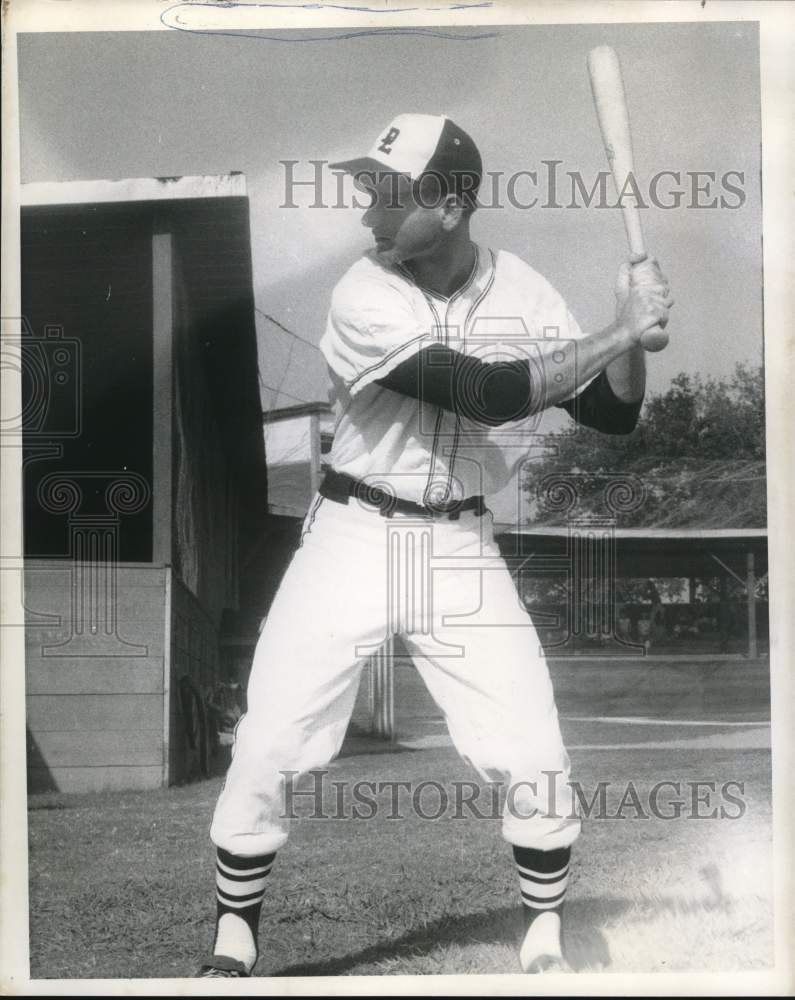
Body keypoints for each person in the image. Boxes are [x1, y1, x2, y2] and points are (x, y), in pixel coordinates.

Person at [198, 114, 673, 977]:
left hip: (458, 543)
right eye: (367, 191)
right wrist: (610, 333)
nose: (366, 212)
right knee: (272, 736)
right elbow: (487, 394)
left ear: (451, 206)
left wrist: (629, 333)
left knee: (529, 739)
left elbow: (611, 411)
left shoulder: (522, 288)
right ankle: (234, 938)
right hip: (352, 534)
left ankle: (541, 938)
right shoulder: (361, 291)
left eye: (385, 193)